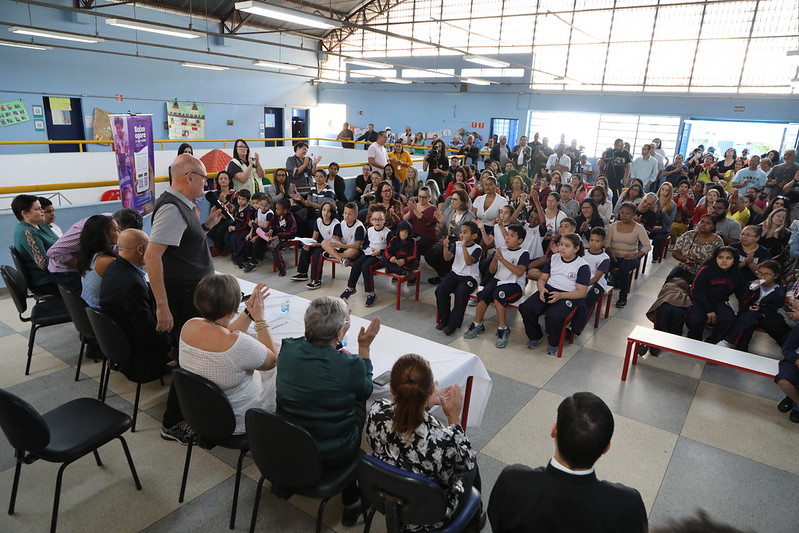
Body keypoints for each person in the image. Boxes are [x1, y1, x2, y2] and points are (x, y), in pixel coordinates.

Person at [276, 297, 381, 525]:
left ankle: (283, 482)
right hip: (332, 452)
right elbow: (366, 388)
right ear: (342, 328)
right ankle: (353, 500)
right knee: (359, 399)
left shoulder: (288, 348)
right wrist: (364, 347)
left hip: (286, 442)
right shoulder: (349, 365)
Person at [145, 154, 224, 443]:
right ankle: (173, 422)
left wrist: (206, 226)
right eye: (204, 177)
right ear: (189, 177)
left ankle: (193, 405)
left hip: (194, 291)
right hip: (182, 297)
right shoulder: (172, 208)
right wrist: (163, 307)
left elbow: (183, 245)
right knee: (188, 357)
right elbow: (152, 257)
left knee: (193, 354)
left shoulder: (186, 205)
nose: (207, 182)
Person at [488, 392, 647, 533]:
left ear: (554, 431)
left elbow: (497, 522)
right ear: (606, 448)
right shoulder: (628, 504)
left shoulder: (512, 481)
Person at [366, 354, 477, 531]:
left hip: (387, 498)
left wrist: (424, 403)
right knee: (472, 467)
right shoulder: (442, 440)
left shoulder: (376, 411)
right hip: (431, 516)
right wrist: (454, 417)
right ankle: (473, 524)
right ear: (432, 390)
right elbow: (465, 464)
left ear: (392, 390)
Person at [179, 275, 278, 435]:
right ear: (233, 307)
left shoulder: (189, 325)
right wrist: (260, 319)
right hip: (239, 418)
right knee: (277, 365)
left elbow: (223, 332)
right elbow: (272, 360)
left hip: (202, 411)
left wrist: (248, 312)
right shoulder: (239, 344)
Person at [100, 229, 173, 385]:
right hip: (137, 352)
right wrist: (170, 348)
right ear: (140, 249)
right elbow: (146, 327)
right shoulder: (132, 283)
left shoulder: (114, 268)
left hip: (117, 340)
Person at [520, 233, 590, 354]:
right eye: (561, 244)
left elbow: (581, 292)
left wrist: (561, 295)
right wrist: (541, 289)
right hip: (549, 289)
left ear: (576, 248)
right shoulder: (553, 258)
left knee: (554, 316)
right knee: (526, 308)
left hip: (568, 294)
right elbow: (542, 278)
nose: (562, 248)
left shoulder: (582, 266)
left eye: (567, 246)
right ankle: (535, 335)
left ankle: (553, 341)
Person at [463, 225, 530, 349]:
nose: (507, 238)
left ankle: (502, 328)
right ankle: (477, 323)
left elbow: (519, 272)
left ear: (520, 240)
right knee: (483, 294)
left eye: (512, 236)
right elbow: (492, 270)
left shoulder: (524, 253)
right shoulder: (502, 250)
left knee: (499, 296)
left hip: (514, 284)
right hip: (498, 279)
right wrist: (495, 259)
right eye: (507, 235)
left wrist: (503, 260)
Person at [717, 260, 787, 351]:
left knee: (749, 318)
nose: (762, 277)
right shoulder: (752, 284)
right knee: (748, 324)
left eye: (767, 274)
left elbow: (775, 307)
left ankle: (728, 341)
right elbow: (742, 299)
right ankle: (742, 348)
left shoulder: (779, 291)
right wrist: (751, 289)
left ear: (775, 276)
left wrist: (760, 308)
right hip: (747, 311)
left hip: (763, 315)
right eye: (760, 273)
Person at [685, 246, 747, 343]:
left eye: (728, 258)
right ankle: (694, 340)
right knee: (696, 319)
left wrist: (747, 304)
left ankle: (712, 341)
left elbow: (742, 291)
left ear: (734, 260)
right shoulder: (706, 270)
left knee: (728, 319)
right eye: (720, 257)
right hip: (701, 300)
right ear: (715, 258)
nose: (724, 261)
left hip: (719, 302)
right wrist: (709, 310)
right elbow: (696, 291)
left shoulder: (736, 274)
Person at [435, 221, 482, 336]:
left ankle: (453, 324)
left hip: (470, 277)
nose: (462, 235)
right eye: (461, 232)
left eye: (465, 233)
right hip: (455, 274)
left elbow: (469, 262)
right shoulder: (456, 244)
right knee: (440, 290)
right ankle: (445, 319)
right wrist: (446, 247)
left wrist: (464, 247)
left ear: (474, 236)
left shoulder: (477, 248)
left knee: (461, 294)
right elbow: (447, 258)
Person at [340, 209, 393, 307]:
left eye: (380, 219)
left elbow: (390, 249)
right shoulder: (369, 230)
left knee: (366, 267)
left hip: (380, 256)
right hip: (369, 253)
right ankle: (350, 288)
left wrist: (379, 251)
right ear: (371, 220)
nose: (377, 221)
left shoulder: (388, 233)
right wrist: (368, 248)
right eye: (374, 219)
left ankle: (371, 294)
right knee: (356, 264)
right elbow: (365, 244)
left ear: (384, 220)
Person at [11, 194, 59, 295]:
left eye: (41, 208)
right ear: (24, 213)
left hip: (57, 275)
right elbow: (43, 263)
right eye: (37, 209)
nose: (42, 212)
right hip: (47, 282)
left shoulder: (40, 224)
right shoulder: (27, 232)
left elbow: (59, 243)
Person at [425, 189, 476, 285]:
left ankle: (442, 277)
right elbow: (442, 232)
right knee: (430, 255)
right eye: (452, 199)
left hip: (459, 242)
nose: (452, 201)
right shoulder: (449, 211)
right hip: (447, 238)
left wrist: (455, 226)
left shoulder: (470, 216)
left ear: (463, 201)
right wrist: (441, 223)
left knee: (444, 258)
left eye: (455, 199)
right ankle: (443, 275)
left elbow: (464, 235)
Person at [606, 202, 651, 308]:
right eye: (622, 213)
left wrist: (636, 255)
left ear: (634, 214)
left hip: (630, 257)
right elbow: (607, 243)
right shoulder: (613, 226)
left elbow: (647, 246)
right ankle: (601, 290)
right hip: (614, 255)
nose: (624, 216)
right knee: (603, 263)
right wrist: (610, 250)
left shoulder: (639, 228)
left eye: (628, 213)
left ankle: (623, 296)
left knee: (624, 267)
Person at [570, 228, 610, 336]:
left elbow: (596, 278)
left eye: (597, 241)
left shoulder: (604, 258)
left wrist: (582, 286)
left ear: (603, 243)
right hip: (581, 281)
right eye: (592, 240)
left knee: (586, 302)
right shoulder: (584, 253)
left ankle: (576, 329)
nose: (593, 243)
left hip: (596, 284)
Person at [291, 202, 338, 289]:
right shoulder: (318, 221)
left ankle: (316, 280)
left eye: (328, 211)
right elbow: (314, 238)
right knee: (306, 248)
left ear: (332, 213)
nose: (325, 213)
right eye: (324, 210)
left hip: (332, 247)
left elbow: (334, 243)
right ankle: (302, 273)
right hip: (322, 243)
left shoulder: (336, 224)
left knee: (317, 253)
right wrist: (309, 244)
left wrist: (318, 244)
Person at [77, 214, 120, 309]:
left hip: (92, 313)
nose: (120, 233)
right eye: (116, 230)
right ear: (103, 235)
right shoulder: (106, 261)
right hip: (104, 314)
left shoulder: (90, 256)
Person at [322, 202, 365, 266]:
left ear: (356, 215)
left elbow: (357, 246)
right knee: (324, 242)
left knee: (352, 252)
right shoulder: (342, 223)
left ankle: (333, 255)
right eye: (345, 213)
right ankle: (342, 259)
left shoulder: (359, 227)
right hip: (343, 246)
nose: (347, 216)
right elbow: (339, 237)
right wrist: (336, 239)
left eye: (350, 214)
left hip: (353, 249)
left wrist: (340, 245)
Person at [402, 185, 439, 254]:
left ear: (430, 198)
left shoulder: (433, 209)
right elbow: (404, 219)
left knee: (414, 245)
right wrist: (410, 211)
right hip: (413, 235)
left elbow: (425, 221)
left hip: (426, 238)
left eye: (424, 197)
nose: (421, 199)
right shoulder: (414, 205)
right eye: (420, 197)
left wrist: (414, 210)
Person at [225, 189, 255, 269]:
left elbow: (246, 223)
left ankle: (241, 258)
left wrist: (235, 228)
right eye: (239, 199)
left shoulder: (249, 210)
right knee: (228, 236)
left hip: (245, 229)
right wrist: (231, 226)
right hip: (237, 228)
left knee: (239, 239)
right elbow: (235, 219)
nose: (240, 201)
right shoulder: (237, 208)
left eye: (243, 199)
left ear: (248, 201)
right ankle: (234, 254)